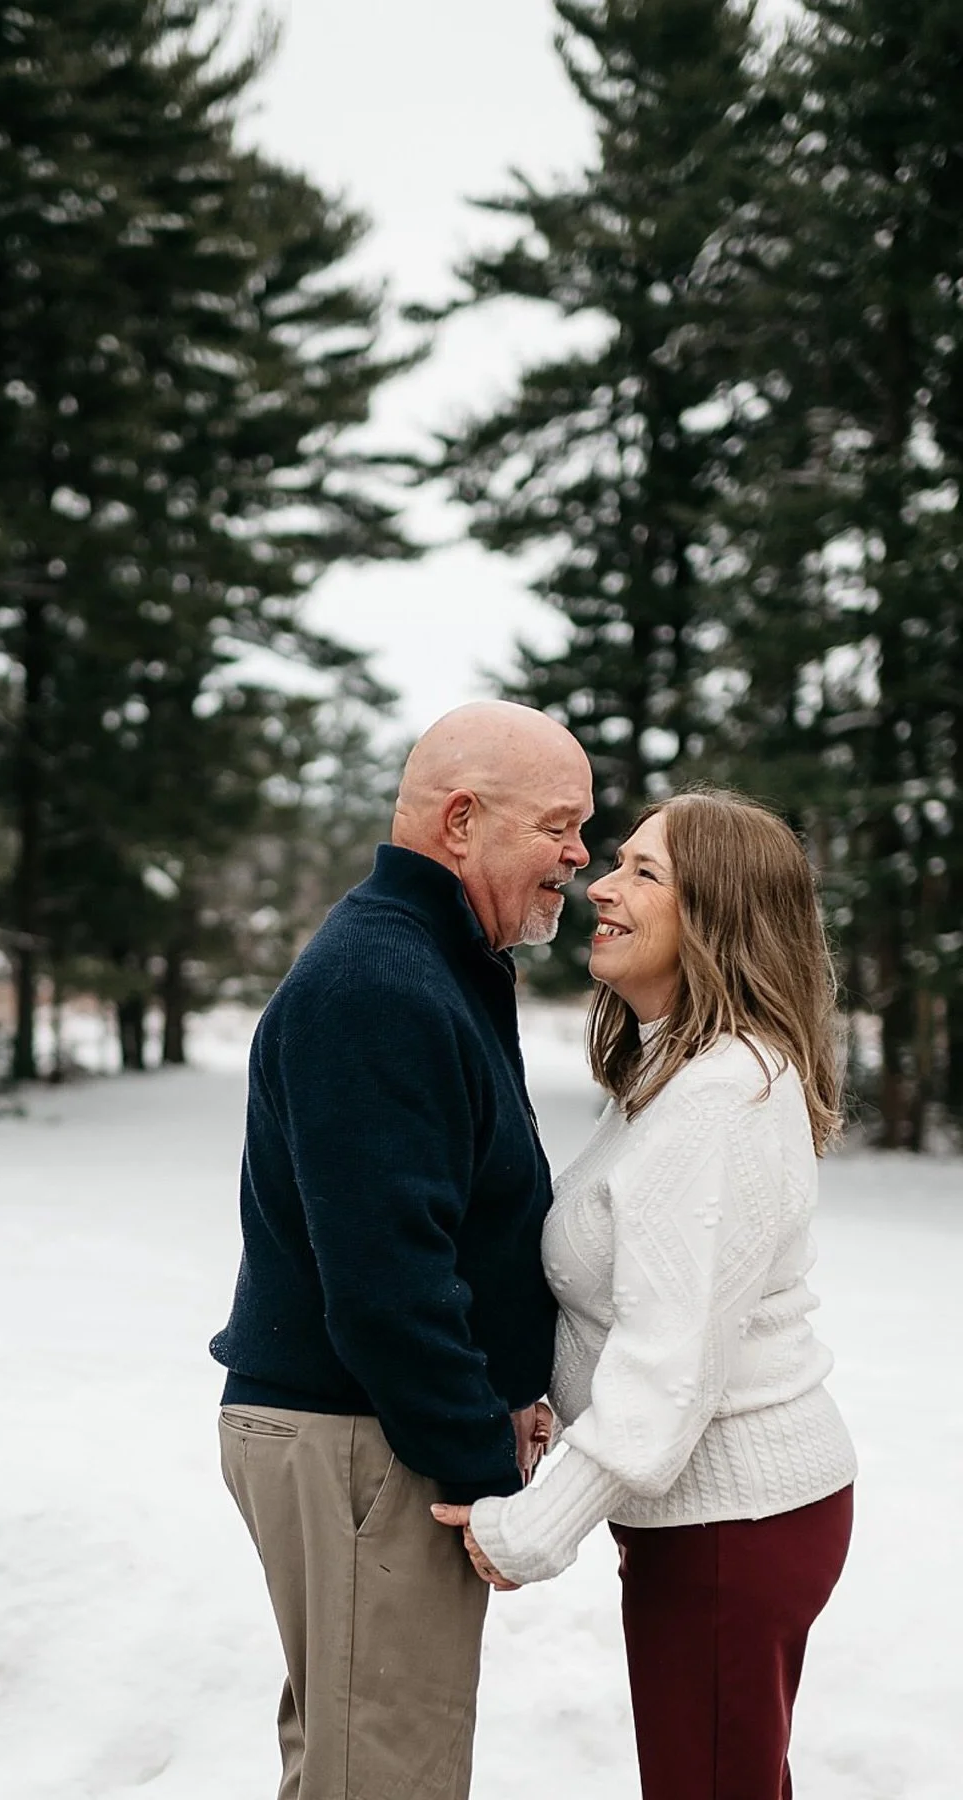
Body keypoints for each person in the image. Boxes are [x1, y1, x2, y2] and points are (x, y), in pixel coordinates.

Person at [434, 790, 857, 1800]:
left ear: (717, 916)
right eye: (614, 864)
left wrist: (534, 1531)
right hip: (718, 1523)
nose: (600, 889)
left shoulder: (719, 1097)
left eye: (643, 873)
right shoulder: (680, 1071)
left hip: (733, 1528)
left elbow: (671, 1368)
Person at [209, 699, 594, 1800]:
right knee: (387, 1776)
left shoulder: (433, 961)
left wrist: (507, 1389)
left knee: (353, 1764)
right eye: (560, 825)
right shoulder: (381, 984)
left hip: (373, 1439)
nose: (579, 855)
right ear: (462, 821)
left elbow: (451, 1224)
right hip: (363, 1446)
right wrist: (481, 1460)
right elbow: (388, 1286)